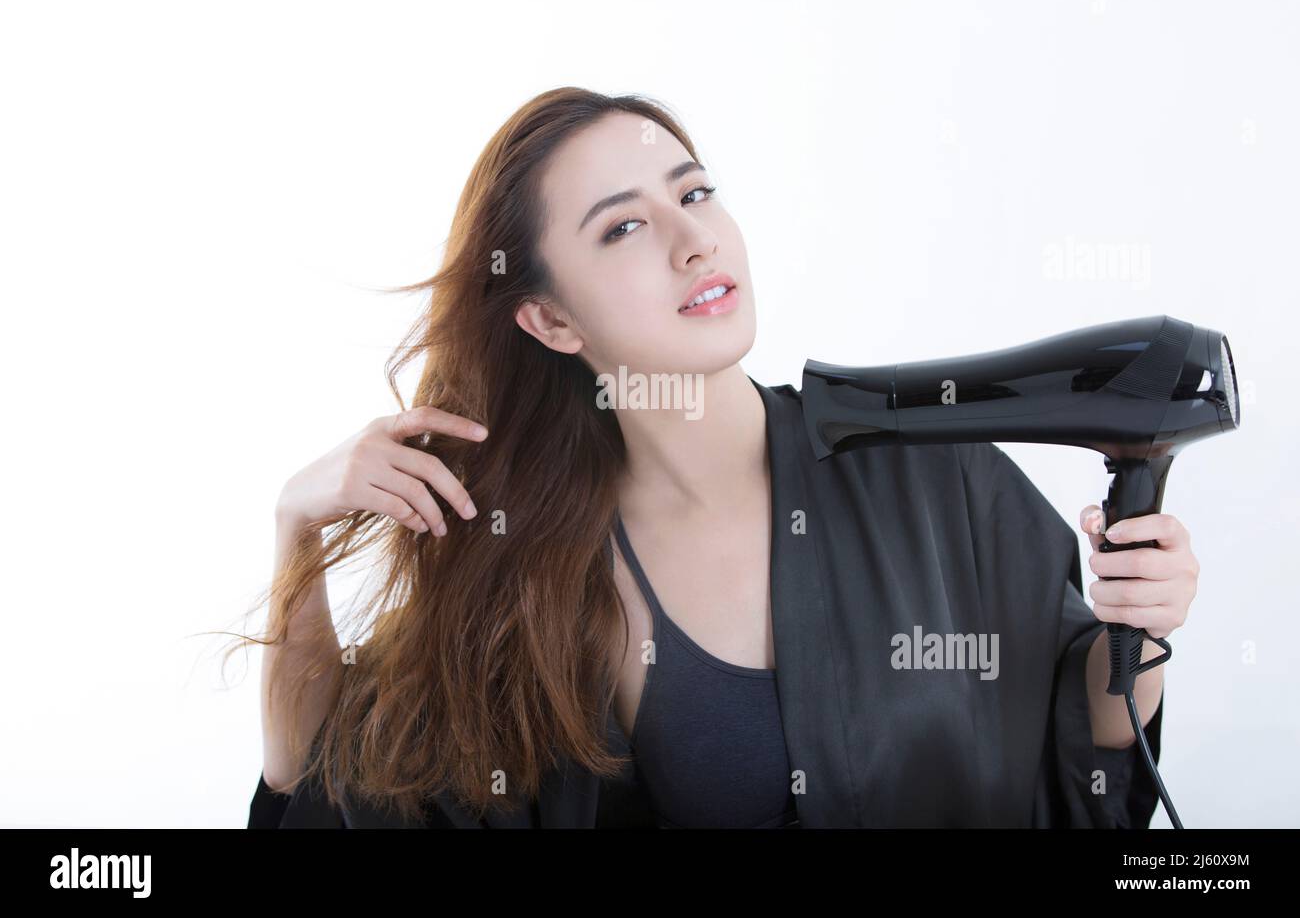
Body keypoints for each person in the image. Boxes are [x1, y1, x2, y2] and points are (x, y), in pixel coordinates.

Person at [232, 87, 1201, 829]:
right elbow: (319, 781)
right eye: (623, 226)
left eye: (693, 191)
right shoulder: (527, 572)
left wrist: (1138, 629)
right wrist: (295, 527)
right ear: (549, 318)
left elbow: (1088, 765)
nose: (693, 240)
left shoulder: (928, 474)